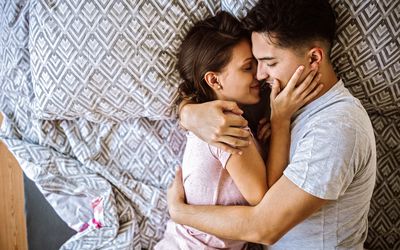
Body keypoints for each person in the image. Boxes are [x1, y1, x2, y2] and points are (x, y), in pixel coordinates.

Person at [167, 0, 377, 249]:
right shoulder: (282, 100)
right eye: (254, 63)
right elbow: (209, 89)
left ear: (313, 58)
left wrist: (180, 213)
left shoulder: (338, 127)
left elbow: (264, 228)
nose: (260, 74)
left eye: (270, 62)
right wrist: (189, 113)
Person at [155, 11, 322, 250]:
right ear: (214, 80)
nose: (259, 74)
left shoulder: (212, 117)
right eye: (247, 68)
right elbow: (267, 201)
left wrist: (266, 146)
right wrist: (280, 121)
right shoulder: (226, 125)